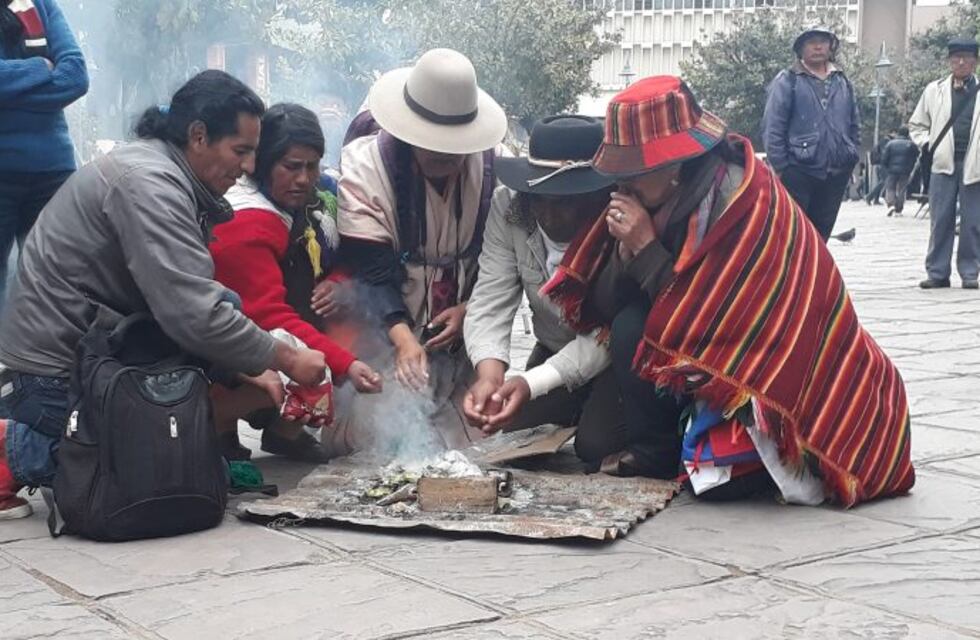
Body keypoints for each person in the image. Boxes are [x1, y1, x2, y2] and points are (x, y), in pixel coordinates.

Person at [535, 76, 914, 506]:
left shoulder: (742, 202)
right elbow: (609, 308)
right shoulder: (646, 202)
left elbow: (712, 318)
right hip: (710, 359)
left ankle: (736, 450)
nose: (622, 187)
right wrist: (626, 256)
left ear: (674, 165)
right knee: (628, 326)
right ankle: (655, 454)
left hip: (786, 366)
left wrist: (645, 249)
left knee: (720, 482)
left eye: (634, 174)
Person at [0, 70, 326, 520]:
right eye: (241, 151)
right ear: (198, 136)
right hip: (55, 372)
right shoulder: (150, 184)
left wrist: (246, 363)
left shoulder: (169, 176)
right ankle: (14, 447)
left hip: (101, 347)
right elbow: (191, 313)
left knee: (225, 318)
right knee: (147, 467)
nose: (249, 167)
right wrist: (284, 359)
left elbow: (196, 298)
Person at [332, 48, 507, 454]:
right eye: (434, 146)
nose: (446, 155)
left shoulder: (493, 167)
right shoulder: (366, 166)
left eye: (455, 146)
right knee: (375, 435)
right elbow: (370, 269)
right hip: (384, 328)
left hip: (459, 330)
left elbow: (499, 263)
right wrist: (404, 340)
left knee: (479, 441)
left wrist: (468, 311)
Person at [212, 103, 383, 462]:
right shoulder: (246, 219)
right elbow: (268, 315)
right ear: (261, 162)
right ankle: (218, 422)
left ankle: (283, 430)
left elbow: (351, 255)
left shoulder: (318, 200)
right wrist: (344, 364)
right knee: (309, 360)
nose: (304, 178)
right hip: (224, 342)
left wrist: (337, 282)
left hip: (279, 320)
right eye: (291, 167)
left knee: (355, 315)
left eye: (311, 165)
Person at [462, 115, 636, 465]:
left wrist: (532, 383)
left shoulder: (621, 225)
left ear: (596, 195)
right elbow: (491, 297)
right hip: (554, 345)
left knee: (596, 445)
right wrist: (489, 376)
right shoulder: (508, 207)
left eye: (566, 201)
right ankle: (572, 405)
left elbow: (608, 333)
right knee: (519, 437)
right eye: (540, 198)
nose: (550, 214)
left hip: (615, 357)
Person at [0, 0, 88, 315]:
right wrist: (40, 68)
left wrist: (10, 95)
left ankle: (44, 363)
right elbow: (60, 77)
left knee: (57, 285)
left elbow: (76, 76)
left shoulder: (41, 5)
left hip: (53, 171)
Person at [763, 26, 860, 240]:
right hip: (798, 170)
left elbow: (854, 124)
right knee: (792, 234)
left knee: (821, 235)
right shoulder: (788, 80)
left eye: (823, 41)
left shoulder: (842, 81)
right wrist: (781, 166)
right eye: (811, 42)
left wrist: (850, 154)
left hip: (836, 171)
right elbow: (773, 126)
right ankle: (794, 274)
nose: (818, 46)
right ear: (801, 49)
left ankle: (816, 273)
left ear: (831, 47)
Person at [910, 36, 980, 290]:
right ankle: (937, 272)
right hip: (942, 163)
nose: (961, 62)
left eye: (967, 58)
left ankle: (970, 272)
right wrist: (928, 144)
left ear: (975, 62)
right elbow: (916, 124)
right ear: (949, 61)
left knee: (973, 221)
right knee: (940, 220)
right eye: (956, 58)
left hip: (975, 166)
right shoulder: (934, 90)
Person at [880, 126, 919, 217]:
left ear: (898, 133)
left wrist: (887, 167)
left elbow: (884, 158)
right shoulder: (911, 144)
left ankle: (891, 205)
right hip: (906, 170)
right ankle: (899, 209)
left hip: (892, 170)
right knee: (902, 189)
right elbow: (916, 156)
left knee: (890, 187)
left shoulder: (890, 144)